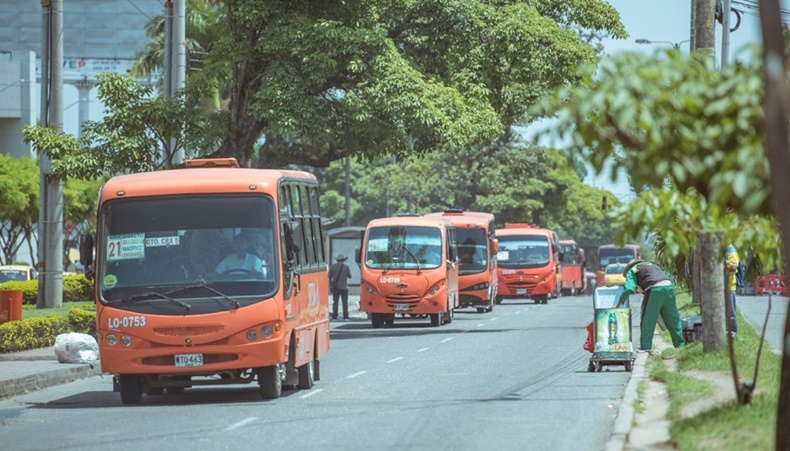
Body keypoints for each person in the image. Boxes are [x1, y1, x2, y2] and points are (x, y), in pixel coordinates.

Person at [614, 260, 685, 353]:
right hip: (668, 287)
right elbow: (668, 275)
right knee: (673, 319)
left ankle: (646, 347)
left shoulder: (632, 270)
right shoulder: (654, 265)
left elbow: (629, 288)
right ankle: (680, 346)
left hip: (653, 290)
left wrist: (618, 304)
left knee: (647, 320)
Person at [329, 254, 352, 321]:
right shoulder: (346, 267)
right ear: (343, 260)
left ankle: (334, 317)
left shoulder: (332, 267)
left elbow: (329, 276)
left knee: (335, 302)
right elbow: (350, 276)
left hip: (336, 287)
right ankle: (345, 317)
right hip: (344, 287)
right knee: (345, 302)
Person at [724, 244, 740, 339]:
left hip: (729, 287)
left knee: (730, 311)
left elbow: (733, 267)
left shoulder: (731, 251)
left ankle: (732, 332)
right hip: (721, 287)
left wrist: (723, 264)